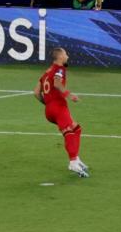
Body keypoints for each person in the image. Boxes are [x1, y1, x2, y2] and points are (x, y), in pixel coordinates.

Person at [34, 47, 89, 178]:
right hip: (58, 107)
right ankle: (72, 162)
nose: (67, 56)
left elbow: (36, 93)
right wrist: (70, 95)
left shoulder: (46, 73)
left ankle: (76, 158)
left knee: (77, 128)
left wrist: (48, 104)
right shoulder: (59, 69)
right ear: (60, 57)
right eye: (65, 54)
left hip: (49, 110)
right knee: (69, 131)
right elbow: (57, 84)